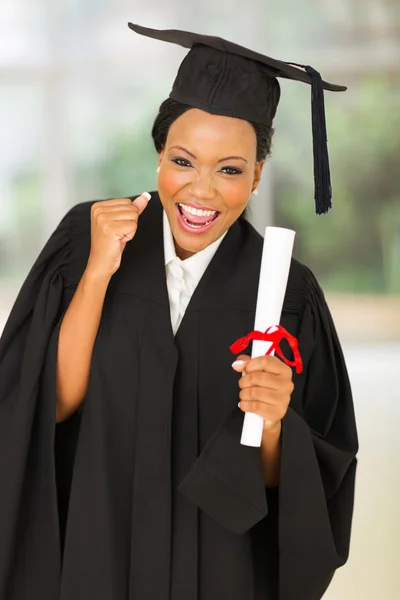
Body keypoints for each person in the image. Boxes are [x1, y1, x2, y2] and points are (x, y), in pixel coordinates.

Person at [0, 23, 358, 600]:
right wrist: (97, 274)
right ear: (159, 153)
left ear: (258, 174)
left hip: (219, 572)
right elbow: (50, 405)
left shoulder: (288, 293)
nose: (202, 190)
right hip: (97, 558)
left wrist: (272, 424)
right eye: (183, 160)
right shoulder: (85, 237)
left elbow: (299, 493)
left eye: (231, 169)